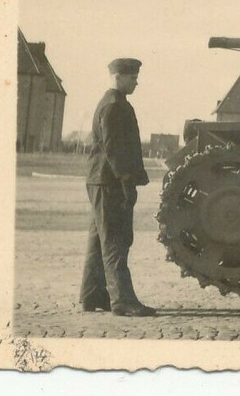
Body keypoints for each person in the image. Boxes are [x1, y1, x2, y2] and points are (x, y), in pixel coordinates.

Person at [80, 57, 156, 317]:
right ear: (118, 77)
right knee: (115, 240)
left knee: (98, 238)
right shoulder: (113, 106)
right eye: (132, 77)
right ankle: (122, 301)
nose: (136, 81)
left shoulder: (114, 103)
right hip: (110, 181)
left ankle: (92, 296)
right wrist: (127, 182)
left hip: (101, 180)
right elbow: (115, 150)